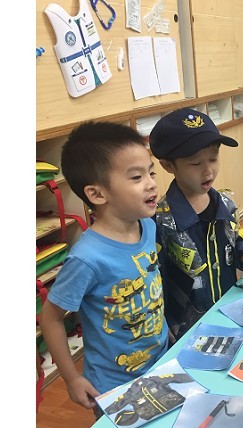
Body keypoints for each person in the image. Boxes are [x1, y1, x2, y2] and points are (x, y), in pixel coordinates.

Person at [40, 122, 169, 416]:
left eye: (151, 172)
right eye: (136, 177)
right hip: (113, 385)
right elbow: (50, 317)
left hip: (160, 362)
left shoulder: (147, 226)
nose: (151, 183)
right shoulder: (87, 259)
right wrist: (72, 378)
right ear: (97, 194)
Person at [149, 108, 243, 341]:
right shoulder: (160, 221)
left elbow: (237, 238)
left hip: (228, 310)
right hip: (186, 326)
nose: (208, 170)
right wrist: (163, 321)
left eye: (213, 158)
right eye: (195, 163)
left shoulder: (226, 204)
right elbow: (155, 277)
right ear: (168, 166)